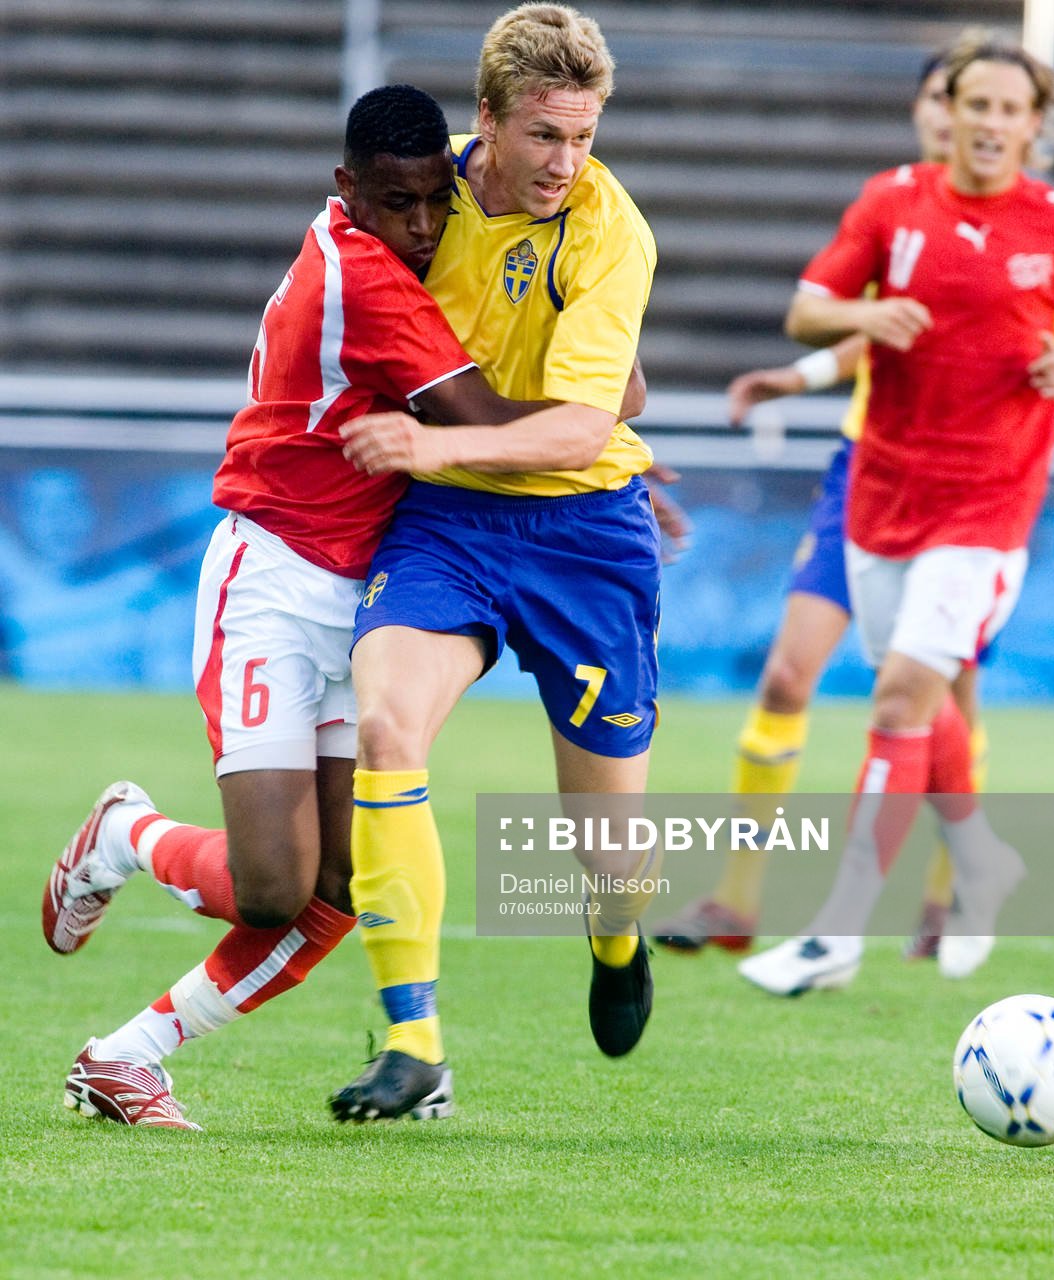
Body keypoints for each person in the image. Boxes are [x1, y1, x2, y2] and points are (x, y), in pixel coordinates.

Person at [40, 83, 630, 1129]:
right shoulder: (363, 276)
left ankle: (128, 1056)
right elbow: (488, 414)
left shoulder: (417, 240)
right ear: (345, 189)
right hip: (272, 577)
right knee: (272, 886)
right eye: (398, 203)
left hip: (368, 586)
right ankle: (126, 832)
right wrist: (601, 413)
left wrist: (593, 408)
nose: (423, 225)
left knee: (346, 881)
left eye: (435, 201)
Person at [736, 37, 1054, 997]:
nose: (990, 123)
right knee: (921, 698)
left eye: (1010, 109)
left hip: (989, 506)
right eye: (976, 104)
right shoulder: (891, 202)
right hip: (883, 496)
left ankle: (835, 934)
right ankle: (982, 859)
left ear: (1035, 126)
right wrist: (864, 319)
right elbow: (807, 309)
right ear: (946, 112)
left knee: (900, 700)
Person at [327, 3, 661, 1122]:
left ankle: (617, 938)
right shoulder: (424, 198)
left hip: (585, 533)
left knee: (608, 856)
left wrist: (433, 443)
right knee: (386, 728)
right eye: (543, 135)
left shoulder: (612, 231)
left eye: (585, 135)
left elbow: (585, 426)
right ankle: (413, 1041)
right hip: (449, 526)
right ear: (488, 118)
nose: (566, 162)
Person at [653, 42, 992, 965]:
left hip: (965, 491)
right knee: (785, 678)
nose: (952, 114)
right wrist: (797, 376)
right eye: (941, 96)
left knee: (945, 698)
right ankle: (736, 899)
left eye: (969, 100)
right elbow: (869, 331)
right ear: (925, 109)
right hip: (866, 473)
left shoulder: (1016, 228)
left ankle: (947, 894)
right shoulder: (895, 207)